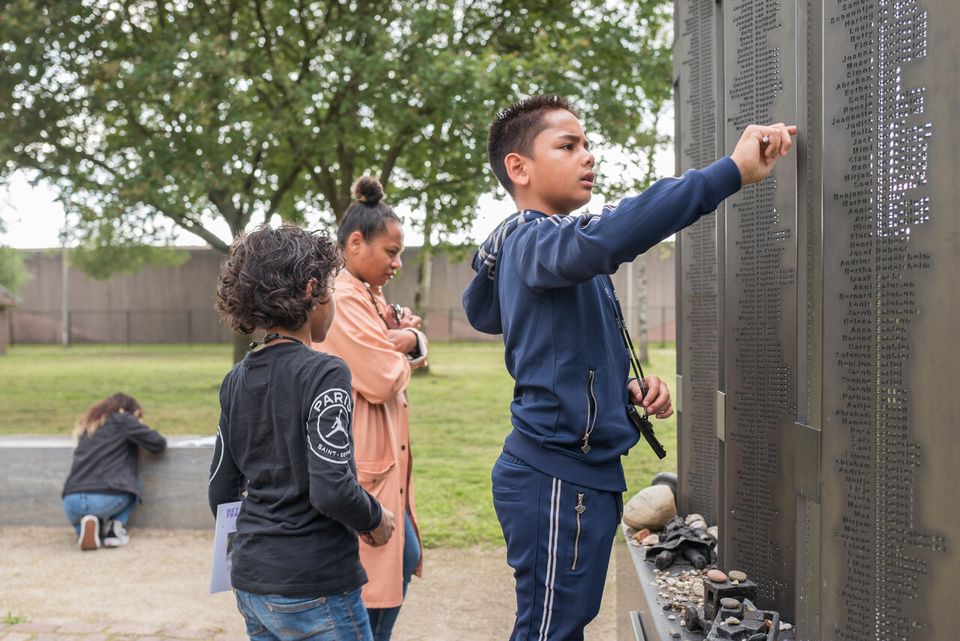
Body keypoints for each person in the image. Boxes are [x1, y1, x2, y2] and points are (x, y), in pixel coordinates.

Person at [462, 95, 796, 640]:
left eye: (587, 144)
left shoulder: (554, 254)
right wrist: (730, 172)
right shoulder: (535, 240)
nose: (587, 156)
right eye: (567, 146)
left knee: (564, 625)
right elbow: (608, 235)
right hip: (553, 477)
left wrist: (624, 388)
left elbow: (558, 346)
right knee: (549, 631)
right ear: (517, 168)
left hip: (582, 475)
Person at [209, 224, 395, 641]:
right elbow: (331, 488)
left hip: (253, 582)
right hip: (317, 582)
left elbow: (219, 491)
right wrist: (376, 517)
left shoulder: (235, 380)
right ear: (313, 290)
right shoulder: (325, 372)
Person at [315, 176, 426, 641]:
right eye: (391, 252)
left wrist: (406, 340)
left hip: (382, 463)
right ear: (355, 242)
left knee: (404, 556)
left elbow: (399, 346)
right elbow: (381, 379)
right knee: (381, 579)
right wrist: (408, 345)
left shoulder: (366, 293)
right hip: (362, 461)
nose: (398, 263)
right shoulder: (342, 297)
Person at [62, 393, 166, 551]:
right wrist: (137, 423)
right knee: (133, 484)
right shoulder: (123, 419)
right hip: (108, 497)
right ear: (127, 410)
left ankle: (88, 528)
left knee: (82, 517)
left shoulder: (87, 426)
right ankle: (114, 529)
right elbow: (158, 443)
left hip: (71, 499)